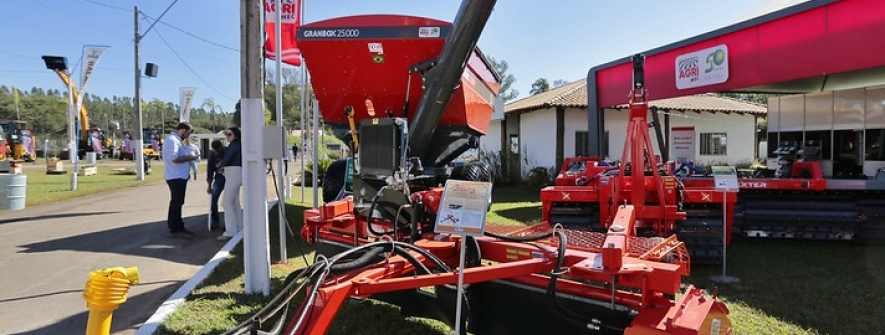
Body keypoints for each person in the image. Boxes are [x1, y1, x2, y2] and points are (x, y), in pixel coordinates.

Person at [163, 122, 198, 238]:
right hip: (175, 176)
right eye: (187, 134)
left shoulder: (176, 140)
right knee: (176, 203)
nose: (187, 137)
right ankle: (174, 229)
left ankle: (179, 226)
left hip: (179, 176)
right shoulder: (172, 140)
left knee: (179, 202)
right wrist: (188, 158)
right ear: (182, 130)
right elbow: (173, 158)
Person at [216, 126, 243, 241]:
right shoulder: (239, 145)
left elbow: (226, 160)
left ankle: (230, 231)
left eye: (229, 134)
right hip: (236, 172)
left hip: (233, 174)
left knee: (226, 203)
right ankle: (239, 226)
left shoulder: (234, 146)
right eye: (226, 134)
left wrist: (220, 165)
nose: (227, 136)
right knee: (234, 202)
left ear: (235, 135)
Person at [206, 139, 226, 230]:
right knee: (213, 198)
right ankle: (216, 221)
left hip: (229, 177)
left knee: (229, 202)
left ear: (221, 147)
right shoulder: (212, 156)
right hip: (219, 179)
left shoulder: (227, 152)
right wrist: (209, 185)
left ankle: (229, 223)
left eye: (217, 150)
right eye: (214, 150)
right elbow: (209, 171)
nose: (216, 152)